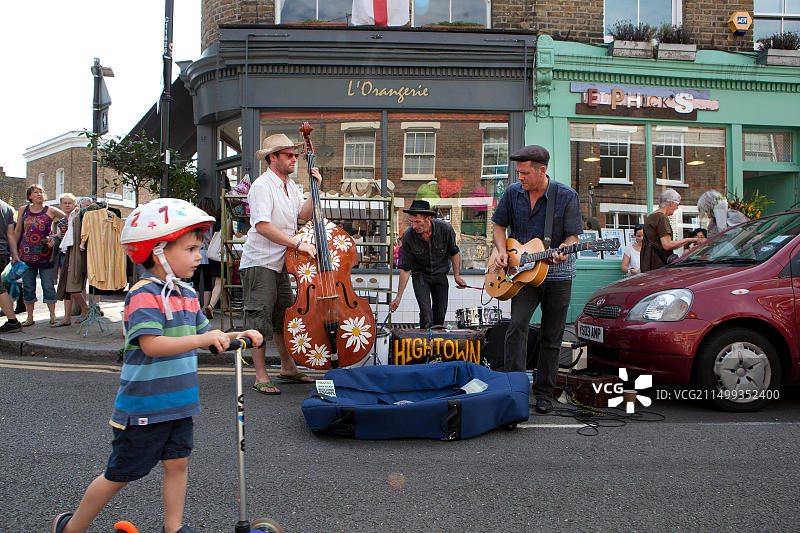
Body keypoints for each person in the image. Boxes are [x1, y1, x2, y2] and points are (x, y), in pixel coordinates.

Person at [51, 198, 262, 533]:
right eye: (192, 249)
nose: (199, 256)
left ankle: (173, 528)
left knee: (177, 464)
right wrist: (202, 340)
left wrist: (240, 334)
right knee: (120, 475)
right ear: (158, 250)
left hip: (179, 405)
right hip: (144, 407)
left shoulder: (188, 293)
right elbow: (153, 345)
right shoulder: (142, 294)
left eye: (200, 248)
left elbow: (208, 336)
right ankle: (72, 527)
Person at [491, 145, 582, 414]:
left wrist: (565, 251)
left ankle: (544, 393)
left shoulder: (566, 196)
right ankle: (515, 386)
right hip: (520, 275)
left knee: (552, 335)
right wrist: (500, 251)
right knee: (516, 327)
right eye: (519, 173)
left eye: (525, 173)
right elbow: (498, 226)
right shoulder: (512, 193)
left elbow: (572, 238)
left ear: (542, 170)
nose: (520, 178)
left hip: (558, 275)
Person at [239, 133, 321, 395]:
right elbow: (262, 226)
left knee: (283, 318)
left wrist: (315, 189)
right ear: (272, 157)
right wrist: (298, 245)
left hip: (280, 263)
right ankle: (260, 375)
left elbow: (302, 215)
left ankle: (288, 368)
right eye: (289, 154)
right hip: (260, 262)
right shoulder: (262, 186)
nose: (294, 158)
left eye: (296, 154)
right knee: (259, 319)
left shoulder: (291, 185)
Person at [389, 199, 466, 328]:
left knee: (440, 314)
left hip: (440, 275)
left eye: (417, 222)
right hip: (420, 276)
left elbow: (454, 252)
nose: (414, 226)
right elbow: (406, 269)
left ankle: (436, 344)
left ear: (428, 218)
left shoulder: (445, 229)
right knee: (426, 314)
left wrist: (457, 276)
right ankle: (425, 346)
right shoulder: (408, 236)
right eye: (411, 222)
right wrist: (398, 297)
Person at [10, 184, 65, 326]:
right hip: (25, 255)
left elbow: (68, 221)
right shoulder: (23, 210)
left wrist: (56, 237)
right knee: (28, 286)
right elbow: (17, 232)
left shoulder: (51, 210)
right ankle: (29, 318)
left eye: (41, 192)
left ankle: (53, 316)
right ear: (30, 196)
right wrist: (14, 253)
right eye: (36, 192)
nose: (40, 194)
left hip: (45, 255)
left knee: (48, 286)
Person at [640, 189, 699, 272]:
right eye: (677, 204)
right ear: (671, 203)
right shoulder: (662, 218)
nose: (677, 207)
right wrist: (689, 240)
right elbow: (667, 245)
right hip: (659, 267)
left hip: (648, 266)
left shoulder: (650, 217)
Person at [0, 197, 22, 333]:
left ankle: (12, 321)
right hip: (3, 252)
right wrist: (14, 254)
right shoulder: (7, 207)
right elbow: (10, 235)